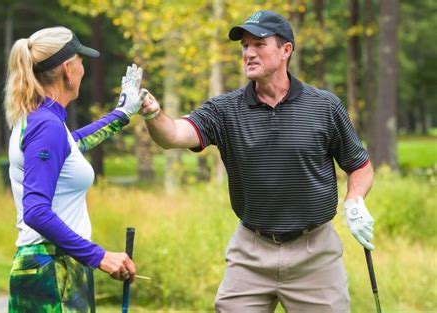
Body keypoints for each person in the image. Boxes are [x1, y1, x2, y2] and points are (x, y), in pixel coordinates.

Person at [140, 10, 375, 313]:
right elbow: (173, 135)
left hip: (314, 251)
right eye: (244, 46)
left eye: (259, 44)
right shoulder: (224, 109)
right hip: (251, 249)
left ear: (285, 50)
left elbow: (359, 165)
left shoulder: (324, 107)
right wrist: (152, 114)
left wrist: (355, 201)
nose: (248, 53)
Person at [4, 26, 146, 312]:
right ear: (68, 68)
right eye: (81, 61)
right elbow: (35, 210)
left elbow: (73, 145)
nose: (84, 69)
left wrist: (123, 113)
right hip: (53, 269)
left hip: (56, 266)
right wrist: (100, 256)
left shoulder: (44, 121)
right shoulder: (46, 126)